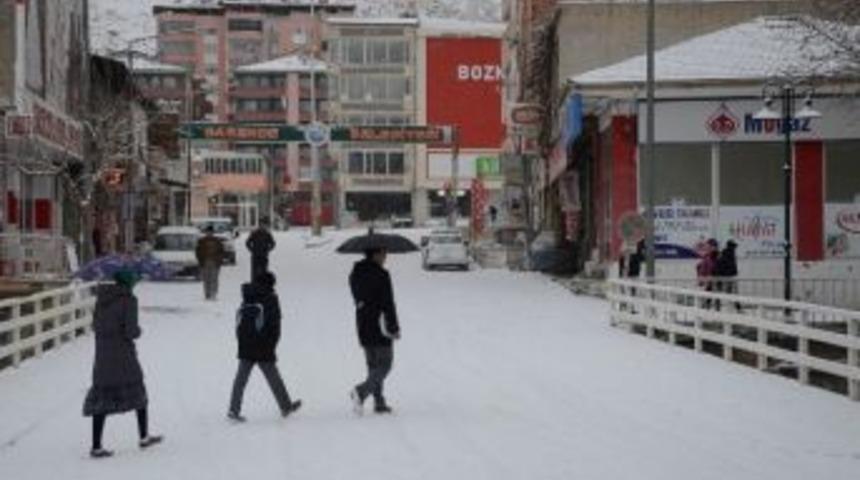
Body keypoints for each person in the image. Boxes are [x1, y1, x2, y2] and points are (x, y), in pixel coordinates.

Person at [82, 269, 162, 459]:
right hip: (123, 353)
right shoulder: (129, 300)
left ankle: (96, 446)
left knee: (101, 396)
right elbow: (131, 331)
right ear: (129, 283)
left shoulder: (102, 299)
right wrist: (138, 331)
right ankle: (143, 436)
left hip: (102, 354)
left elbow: (95, 326)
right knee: (138, 391)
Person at [228, 271, 301, 422]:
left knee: (240, 379)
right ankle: (286, 407)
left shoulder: (248, 295)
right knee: (274, 377)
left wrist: (242, 340)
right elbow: (275, 324)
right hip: (263, 344)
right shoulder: (270, 298)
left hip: (246, 342)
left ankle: (233, 410)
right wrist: (272, 344)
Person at [349, 247, 401, 415]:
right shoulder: (382, 275)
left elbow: (357, 299)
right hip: (380, 325)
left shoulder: (354, 274)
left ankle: (379, 402)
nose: (386, 256)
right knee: (385, 364)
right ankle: (361, 391)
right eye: (384, 253)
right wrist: (393, 327)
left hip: (363, 323)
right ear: (375, 254)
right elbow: (388, 304)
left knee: (373, 365)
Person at [196, 225, 225, 300]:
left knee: (214, 279)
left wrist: (219, 260)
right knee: (206, 279)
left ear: (213, 232)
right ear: (206, 232)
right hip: (205, 262)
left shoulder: (217, 241)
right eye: (208, 232)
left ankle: (214, 293)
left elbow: (222, 252)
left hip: (215, 262)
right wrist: (200, 260)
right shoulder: (202, 241)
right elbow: (198, 251)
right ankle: (207, 294)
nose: (209, 233)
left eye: (211, 232)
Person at [715, 239, 740, 311]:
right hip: (727, 277)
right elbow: (728, 266)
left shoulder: (726, 253)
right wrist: (733, 272)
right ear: (731, 246)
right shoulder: (728, 254)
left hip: (726, 276)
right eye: (734, 246)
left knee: (724, 292)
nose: (735, 248)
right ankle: (736, 307)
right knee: (731, 293)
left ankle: (719, 308)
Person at [697, 239, 719, 309]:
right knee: (707, 296)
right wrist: (700, 278)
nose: (707, 248)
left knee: (714, 296)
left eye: (709, 246)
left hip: (714, 280)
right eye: (707, 246)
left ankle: (713, 310)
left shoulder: (716, 256)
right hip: (707, 280)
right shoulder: (706, 257)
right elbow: (703, 268)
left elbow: (714, 267)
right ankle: (706, 309)